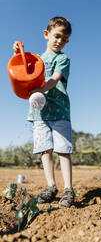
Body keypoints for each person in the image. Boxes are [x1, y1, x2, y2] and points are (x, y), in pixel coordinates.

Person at [13, 16, 75, 207]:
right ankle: (51, 187)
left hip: (60, 111)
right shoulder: (36, 59)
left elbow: (55, 79)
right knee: (44, 150)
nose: (60, 41)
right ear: (46, 35)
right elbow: (22, 68)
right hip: (39, 113)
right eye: (57, 36)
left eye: (64, 39)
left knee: (63, 150)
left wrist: (40, 89)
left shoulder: (63, 59)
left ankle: (68, 189)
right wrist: (16, 52)